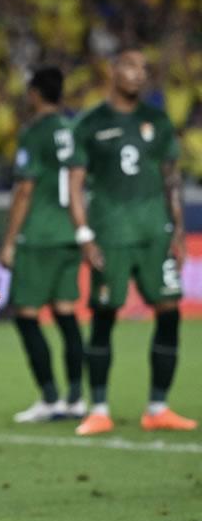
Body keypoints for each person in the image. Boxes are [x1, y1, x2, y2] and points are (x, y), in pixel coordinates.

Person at [70, 48, 196, 436]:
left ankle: (158, 406)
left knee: (170, 310)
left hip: (154, 233)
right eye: (130, 66)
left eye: (144, 68)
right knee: (105, 316)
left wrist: (177, 228)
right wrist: (84, 232)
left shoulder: (156, 120)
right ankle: (100, 408)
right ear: (112, 72)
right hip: (111, 234)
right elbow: (74, 183)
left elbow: (170, 178)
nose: (139, 74)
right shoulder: (90, 122)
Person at [0, 67, 100, 423]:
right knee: (66, 314)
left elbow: (24, 190)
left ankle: (50, 398)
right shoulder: (73, 131)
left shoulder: (34, 133)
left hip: (38, 236)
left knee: (26, 317)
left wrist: (9, 241)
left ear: (36, 93)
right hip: (69, 234)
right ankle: (76, 398)